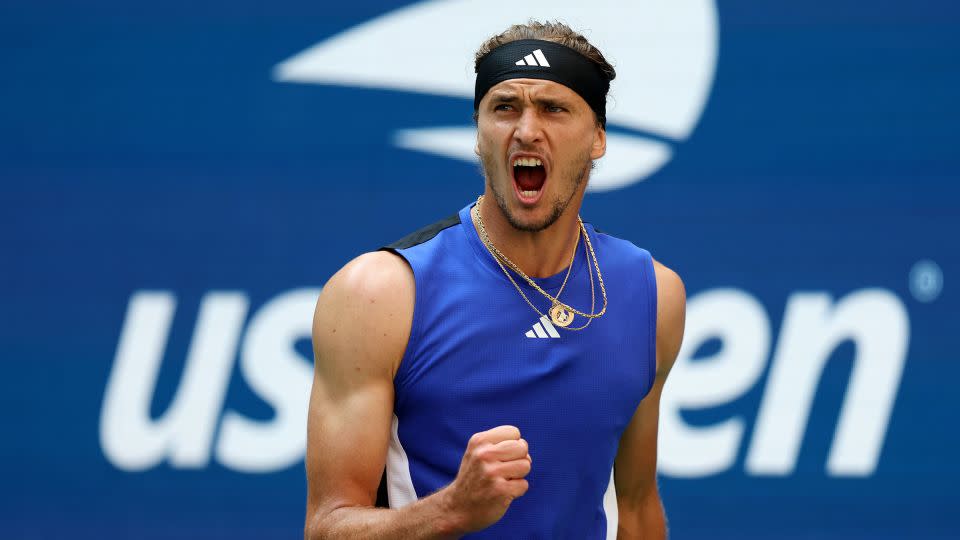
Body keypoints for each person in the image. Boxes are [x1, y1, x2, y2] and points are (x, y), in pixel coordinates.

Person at [304, 20, 686, 539]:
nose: (526, 130)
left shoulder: (652, 295)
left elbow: (637, 507)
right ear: (479, 133)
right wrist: (452, 510)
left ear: (597, 137)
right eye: (505, 107)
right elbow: (326, 527)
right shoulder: (380, 292)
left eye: (554, 108)